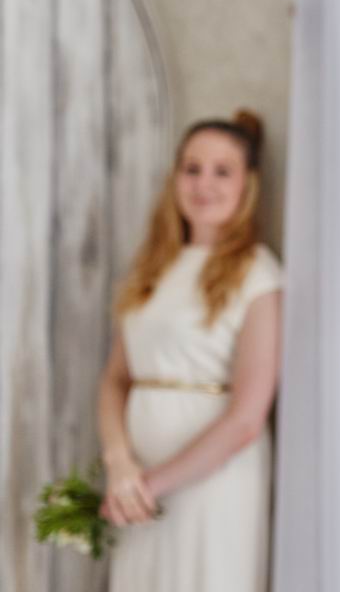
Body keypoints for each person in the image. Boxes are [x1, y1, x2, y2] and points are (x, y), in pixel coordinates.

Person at [97, 109, 284, 592]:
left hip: (212, 484)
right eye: (192, 168)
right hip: (133, 482)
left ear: (248, 184)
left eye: (222, 171)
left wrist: (151, 485)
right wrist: (120, 466)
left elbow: (247, 417)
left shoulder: (257, 272)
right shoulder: (152, 268)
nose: (204, 183)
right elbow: (117, 378)